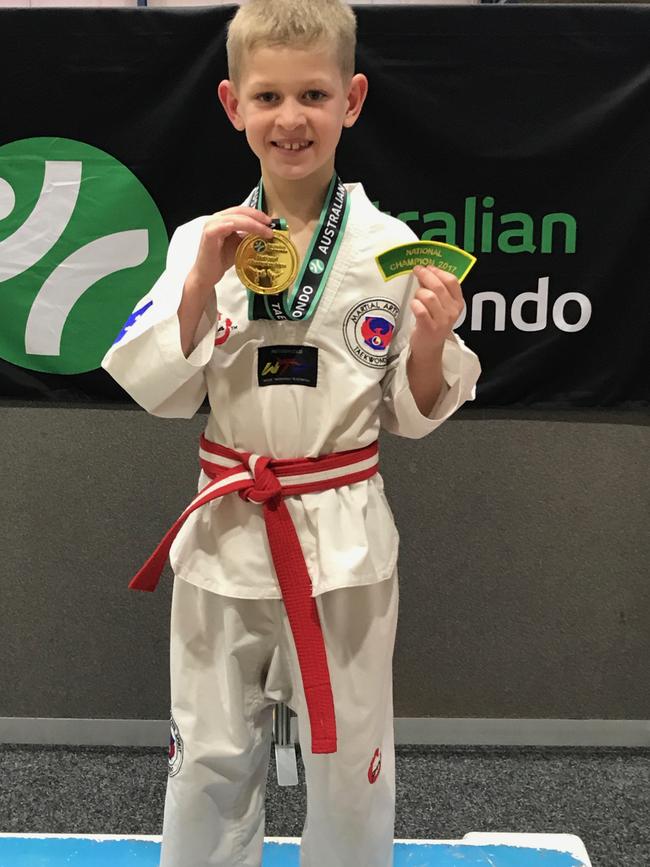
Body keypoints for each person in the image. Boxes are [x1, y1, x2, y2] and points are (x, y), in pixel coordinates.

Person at [102, 1, 481, 865]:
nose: (291, 118)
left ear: (351, 99)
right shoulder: (204, 241)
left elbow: (418, 413)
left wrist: (428, 341)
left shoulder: (390, 251)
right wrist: (200, 280)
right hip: (229, 524)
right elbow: (159, 387)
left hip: (341, 531)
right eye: (268, 98)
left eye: (313, 94)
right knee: (206, 757)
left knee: (350, 764)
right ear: (234, 105)